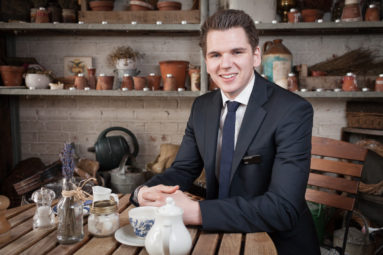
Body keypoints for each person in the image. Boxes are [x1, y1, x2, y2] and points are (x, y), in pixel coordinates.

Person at [130, 9, 320, 255]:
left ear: (255, 55)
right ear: (207, 61)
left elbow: (282, 208)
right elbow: (183, 170)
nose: (225, 64)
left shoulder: (293, 110)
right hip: (217, 234)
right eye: (215, 54)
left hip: (276, 243)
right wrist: (142, 193)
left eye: (237, 52)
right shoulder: (202, 107)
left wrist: (195, 212)